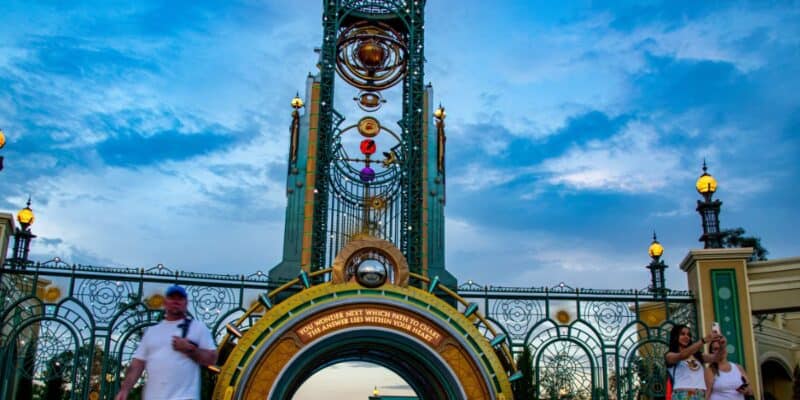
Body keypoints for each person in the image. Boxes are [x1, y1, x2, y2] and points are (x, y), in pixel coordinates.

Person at [115, 285, 218, 400]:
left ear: (186, 303)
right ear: (165, 302)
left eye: (180, 298)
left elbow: (212, 359)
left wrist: (190, 349)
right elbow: (137, 364)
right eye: (172, 298)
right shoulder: (152, 332)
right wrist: (124, 390)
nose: (176, 301)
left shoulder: (198, 328)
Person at [665, 324, 720, 400]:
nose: (686, 337)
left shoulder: (697, 356)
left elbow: (717, 357)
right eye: (682, 334)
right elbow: (683, 355)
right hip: (682, 394)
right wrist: (703, 340)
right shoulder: (669, 355)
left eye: (688, 335)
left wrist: (721, 343)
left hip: (700, 394)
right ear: (675, 336)